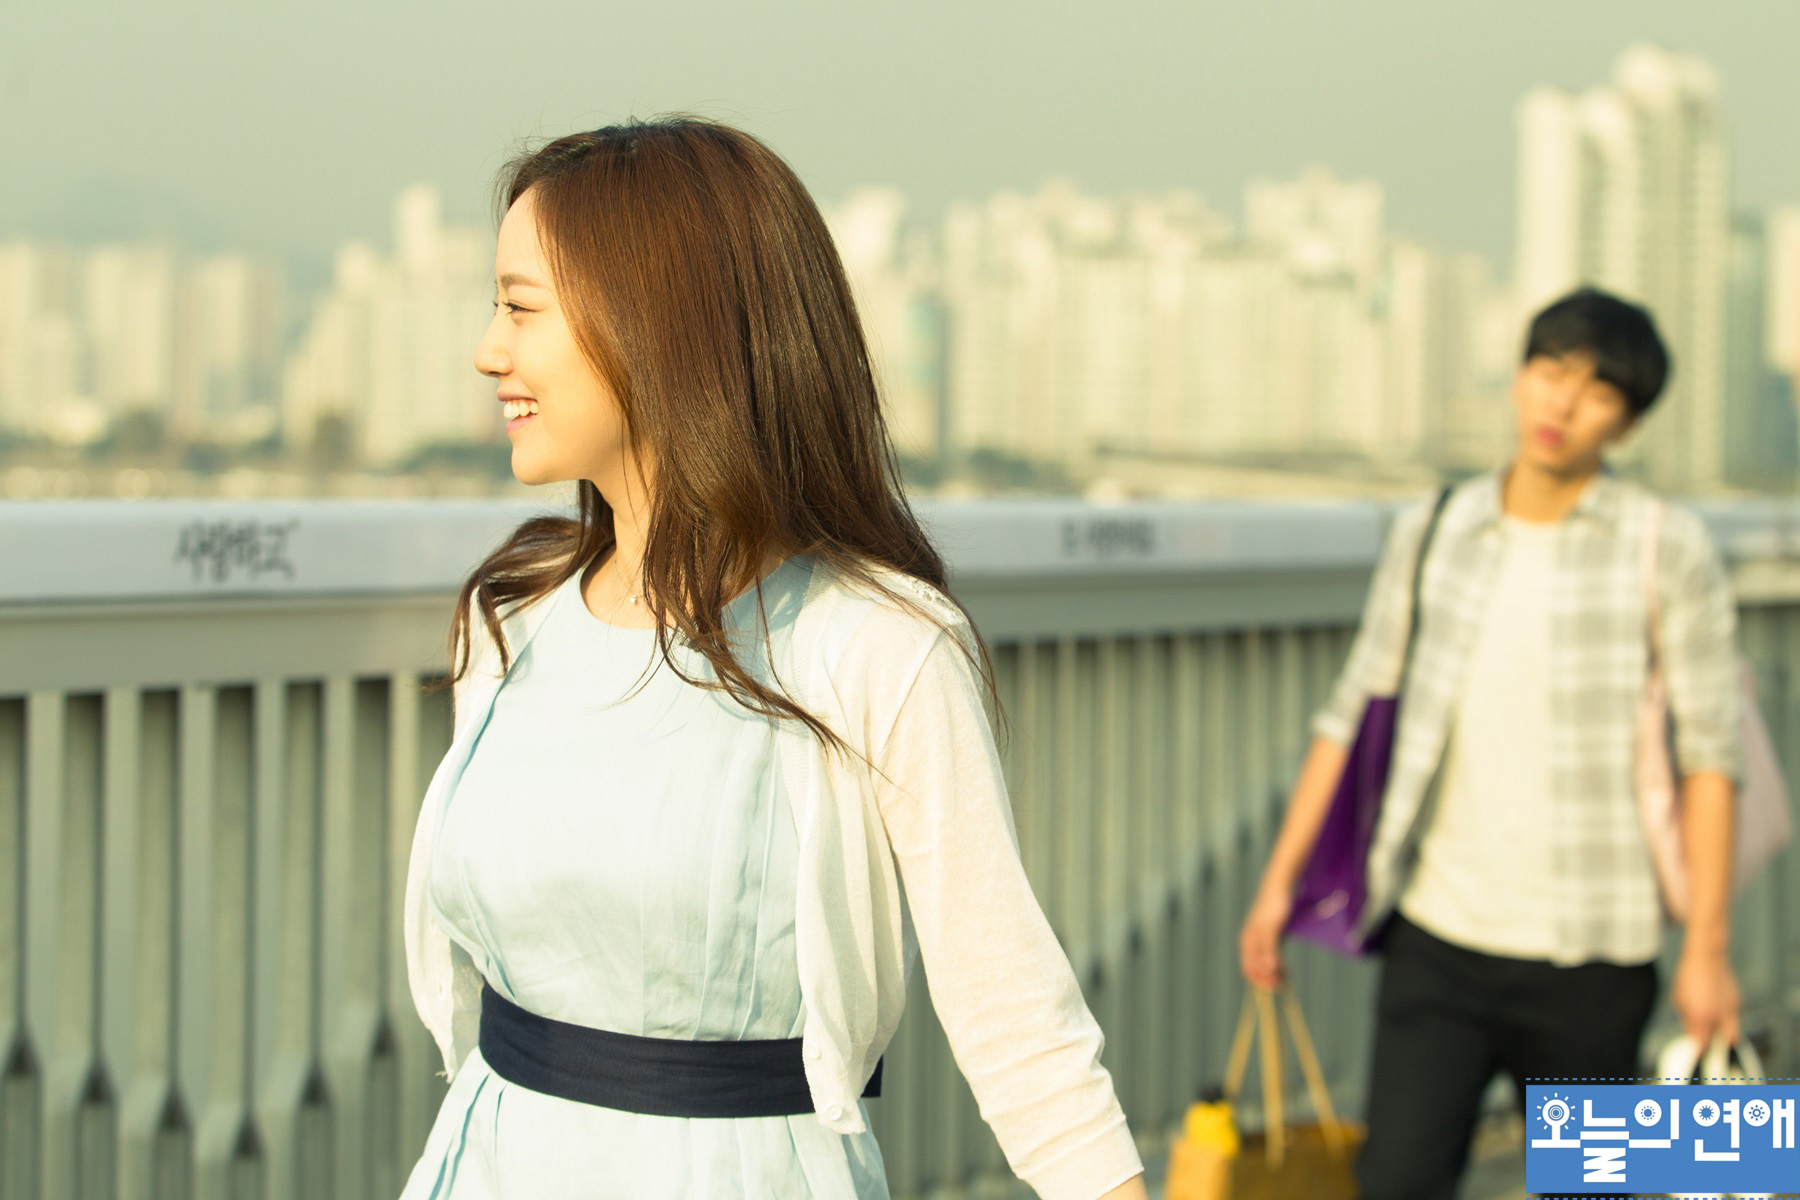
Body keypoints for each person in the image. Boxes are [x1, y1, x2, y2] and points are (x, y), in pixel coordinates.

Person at [397, 117, 1147, 1200]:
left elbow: (1014, 1019)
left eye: (519, 306)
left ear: (654, 324)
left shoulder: (874, 644)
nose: (488, 349)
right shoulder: (515, 619)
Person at [1238, 288, 1744, 1200]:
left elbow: (1712, 755)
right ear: (1517, 376)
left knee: (1594, 1188)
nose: (1560, 403)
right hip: (1437, 938)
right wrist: (1279, 888)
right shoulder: (1436, 529)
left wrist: (1706, 949)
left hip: (1597, 950)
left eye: (1596, 392)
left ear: (1625, 425)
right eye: (1550, 371)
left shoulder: (1667, 546)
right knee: (1392, 1181)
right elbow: (1353, 711)